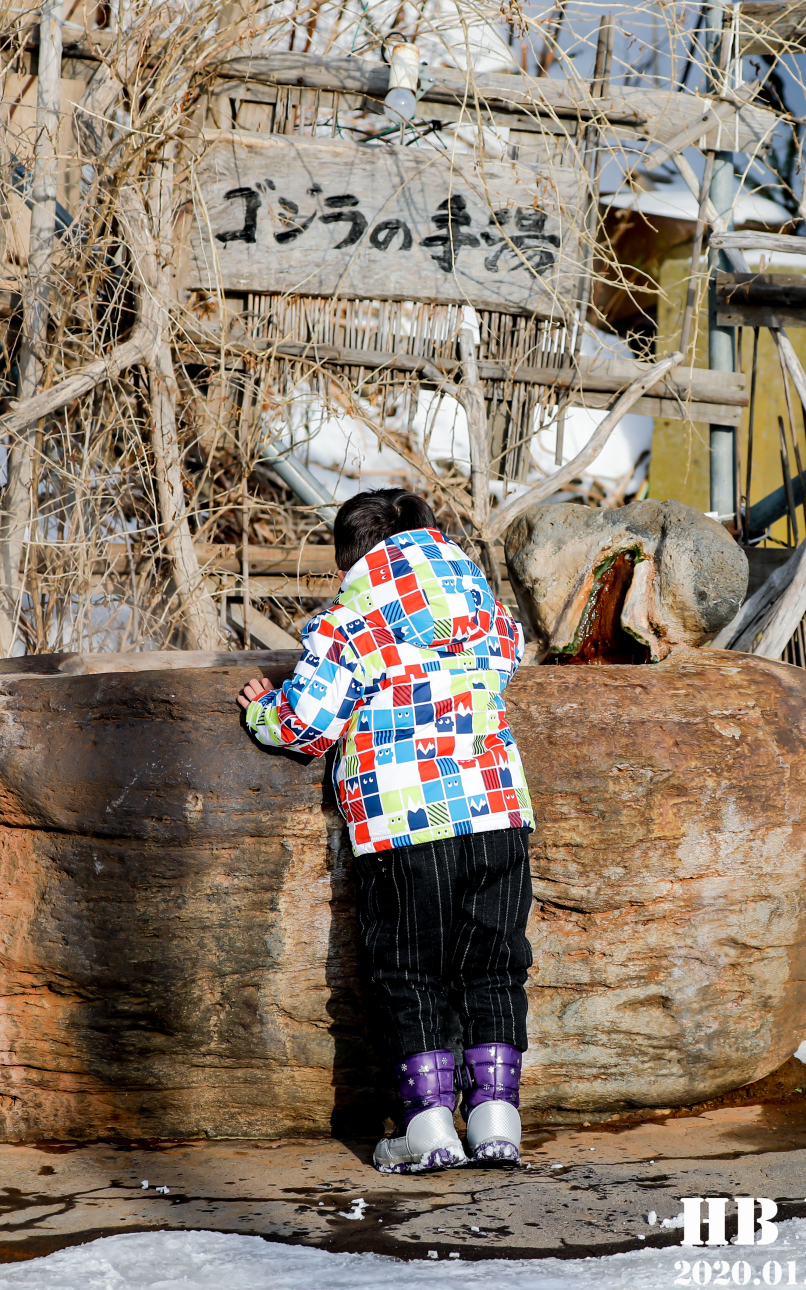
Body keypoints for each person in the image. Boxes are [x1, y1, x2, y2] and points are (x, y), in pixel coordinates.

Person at [237, 487, 535, 1173]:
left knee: (409, 969)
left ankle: (427, 1127)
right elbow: (511, 652)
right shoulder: (482, 607)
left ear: (354, 558)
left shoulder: (355, 618)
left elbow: (309, 723)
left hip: (406, 820)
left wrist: (264, 711)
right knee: (494, 964)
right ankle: (496, 1120)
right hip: (497, 812)